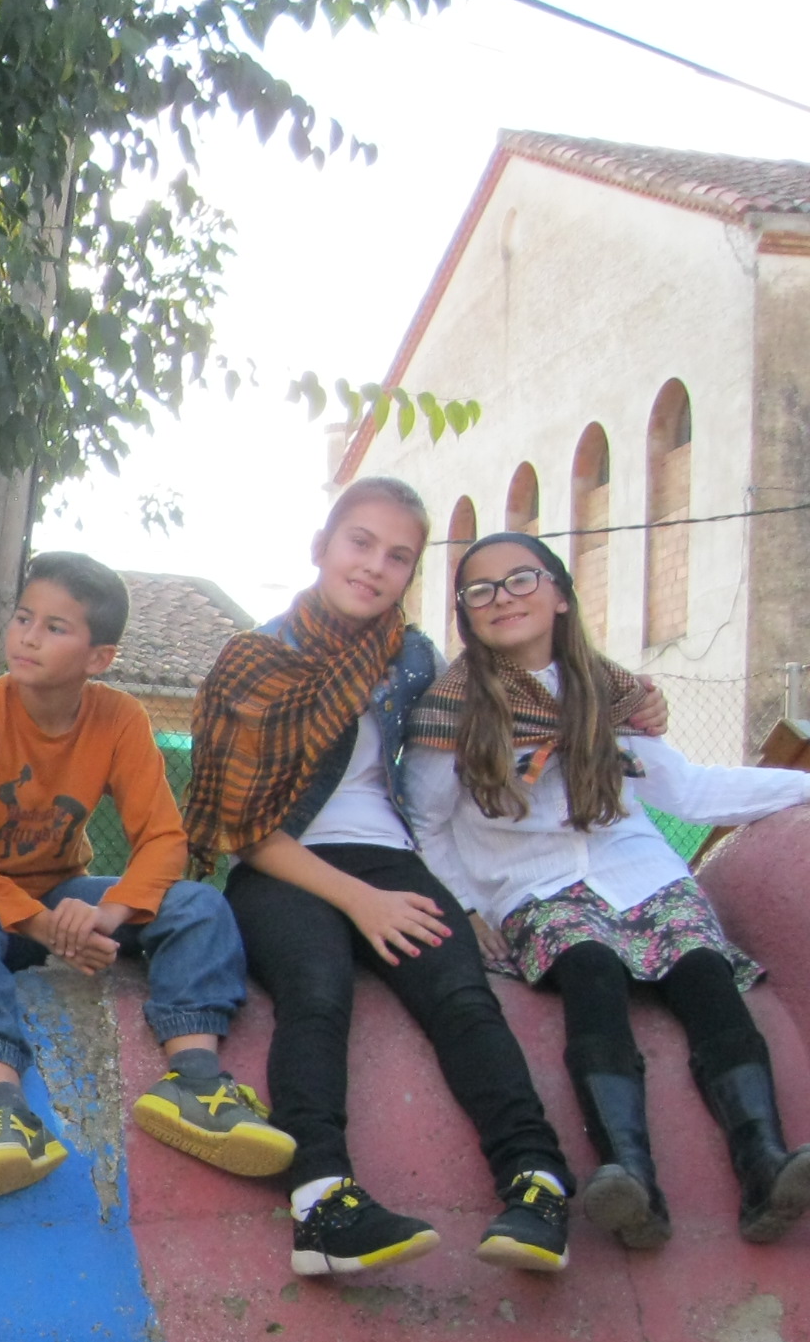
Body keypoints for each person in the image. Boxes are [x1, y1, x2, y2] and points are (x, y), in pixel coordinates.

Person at [184, 477, 578, 1277]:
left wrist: (628, 701)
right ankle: (322, 1202)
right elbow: (243, 833)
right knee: (316, 991)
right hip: (282, 864)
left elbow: (511, 698)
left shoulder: (410, 656)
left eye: (398, 556)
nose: (374, 566)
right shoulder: (254, 658)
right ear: (321, 547)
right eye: (360, 543)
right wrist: (363, 904)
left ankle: (537, 1185)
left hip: (392, 858)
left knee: (462, 997)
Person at [407, 530, 810, 1246]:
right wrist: (465, 904)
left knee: (705, 971)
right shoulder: (451, 708)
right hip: (534, 886)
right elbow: (427, 822)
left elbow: (688, 791)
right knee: (589, 971)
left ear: (560, 595)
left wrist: (801, 787)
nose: (502, 598)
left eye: (521, 579)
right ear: (465, 613)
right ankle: (630, 1180)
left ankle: (765, 1164)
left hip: (640, 870)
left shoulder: (609, 691)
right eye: (480, 590)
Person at [0, 552, 292, 1196]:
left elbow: (162, 837)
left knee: (195, 904)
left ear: (99, 657)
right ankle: (3, 1111)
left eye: (55, 627)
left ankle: (194, 1082)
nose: (28, 637)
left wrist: (109, 913)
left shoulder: (119, 717)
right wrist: (44, 925)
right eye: (24, 618)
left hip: (57, 895)